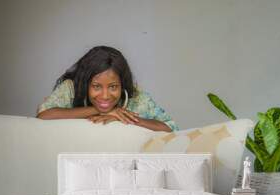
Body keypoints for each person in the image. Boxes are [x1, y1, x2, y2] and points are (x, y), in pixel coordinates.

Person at [36, 46, 178, 132]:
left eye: (113, 87)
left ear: (122, 84)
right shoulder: (71, 87)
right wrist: (100, 110)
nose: (105, 96)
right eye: (97, 86)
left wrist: (126, 118)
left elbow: (170, 128)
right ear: (85, 83)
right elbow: (43, 115)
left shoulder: (135, 96)